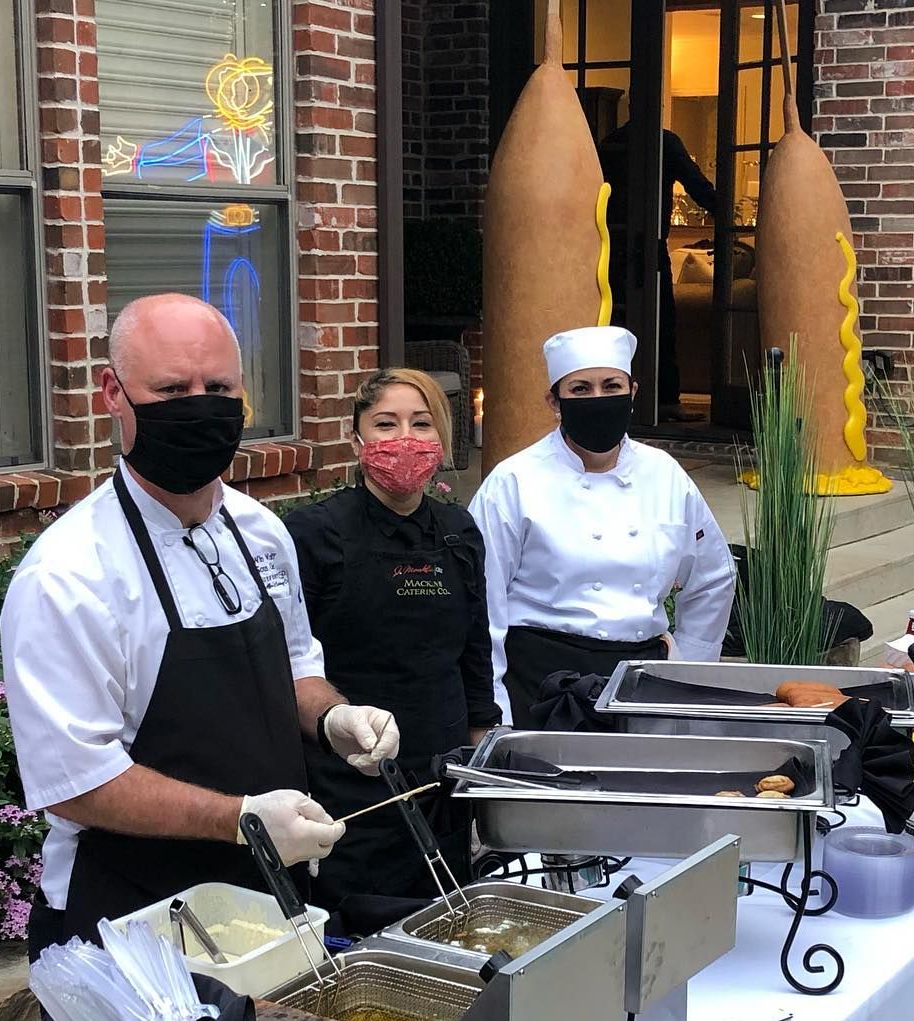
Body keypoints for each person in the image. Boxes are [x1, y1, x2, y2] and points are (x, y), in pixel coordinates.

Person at [1, 293, 399, 956]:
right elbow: (77, 784)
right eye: (171, 388)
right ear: (113, 393)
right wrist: (241, 819)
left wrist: (335, 720)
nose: (198, 404)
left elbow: (296, 665)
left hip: (271, 894)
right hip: (130, 917)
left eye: (218, 388)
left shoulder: (261, 534)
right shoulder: (69, 576)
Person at [285, 370, 501, 927]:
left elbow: (474, 652)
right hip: (351, 785)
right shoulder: (315, 533)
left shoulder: (457, 531)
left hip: (443, 776)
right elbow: (289, 664)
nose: (404, 438)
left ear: (441, 440)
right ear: (357, 443)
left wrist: (482, 763)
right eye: (386, 424)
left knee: (445, 930)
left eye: (420, 423)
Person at [468, 325, 736, 730]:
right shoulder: (514, 482)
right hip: (544, 688)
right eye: (580, 389)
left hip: (642, 684)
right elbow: (481, 605)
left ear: (632, 392)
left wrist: (687, 673)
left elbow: (713, 577)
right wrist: (493, 713)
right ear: (553, 401)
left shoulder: (664, 474)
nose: (598, 399)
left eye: (611, 385)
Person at [598, 120, 720, 422]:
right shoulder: (666, 142)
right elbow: (699, 187)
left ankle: (614, 396)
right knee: (663, 324)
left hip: (607, 247)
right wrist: (727, 211)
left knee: (613, 325)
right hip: (649, 249)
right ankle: (664, 399)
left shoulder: (609, 145)